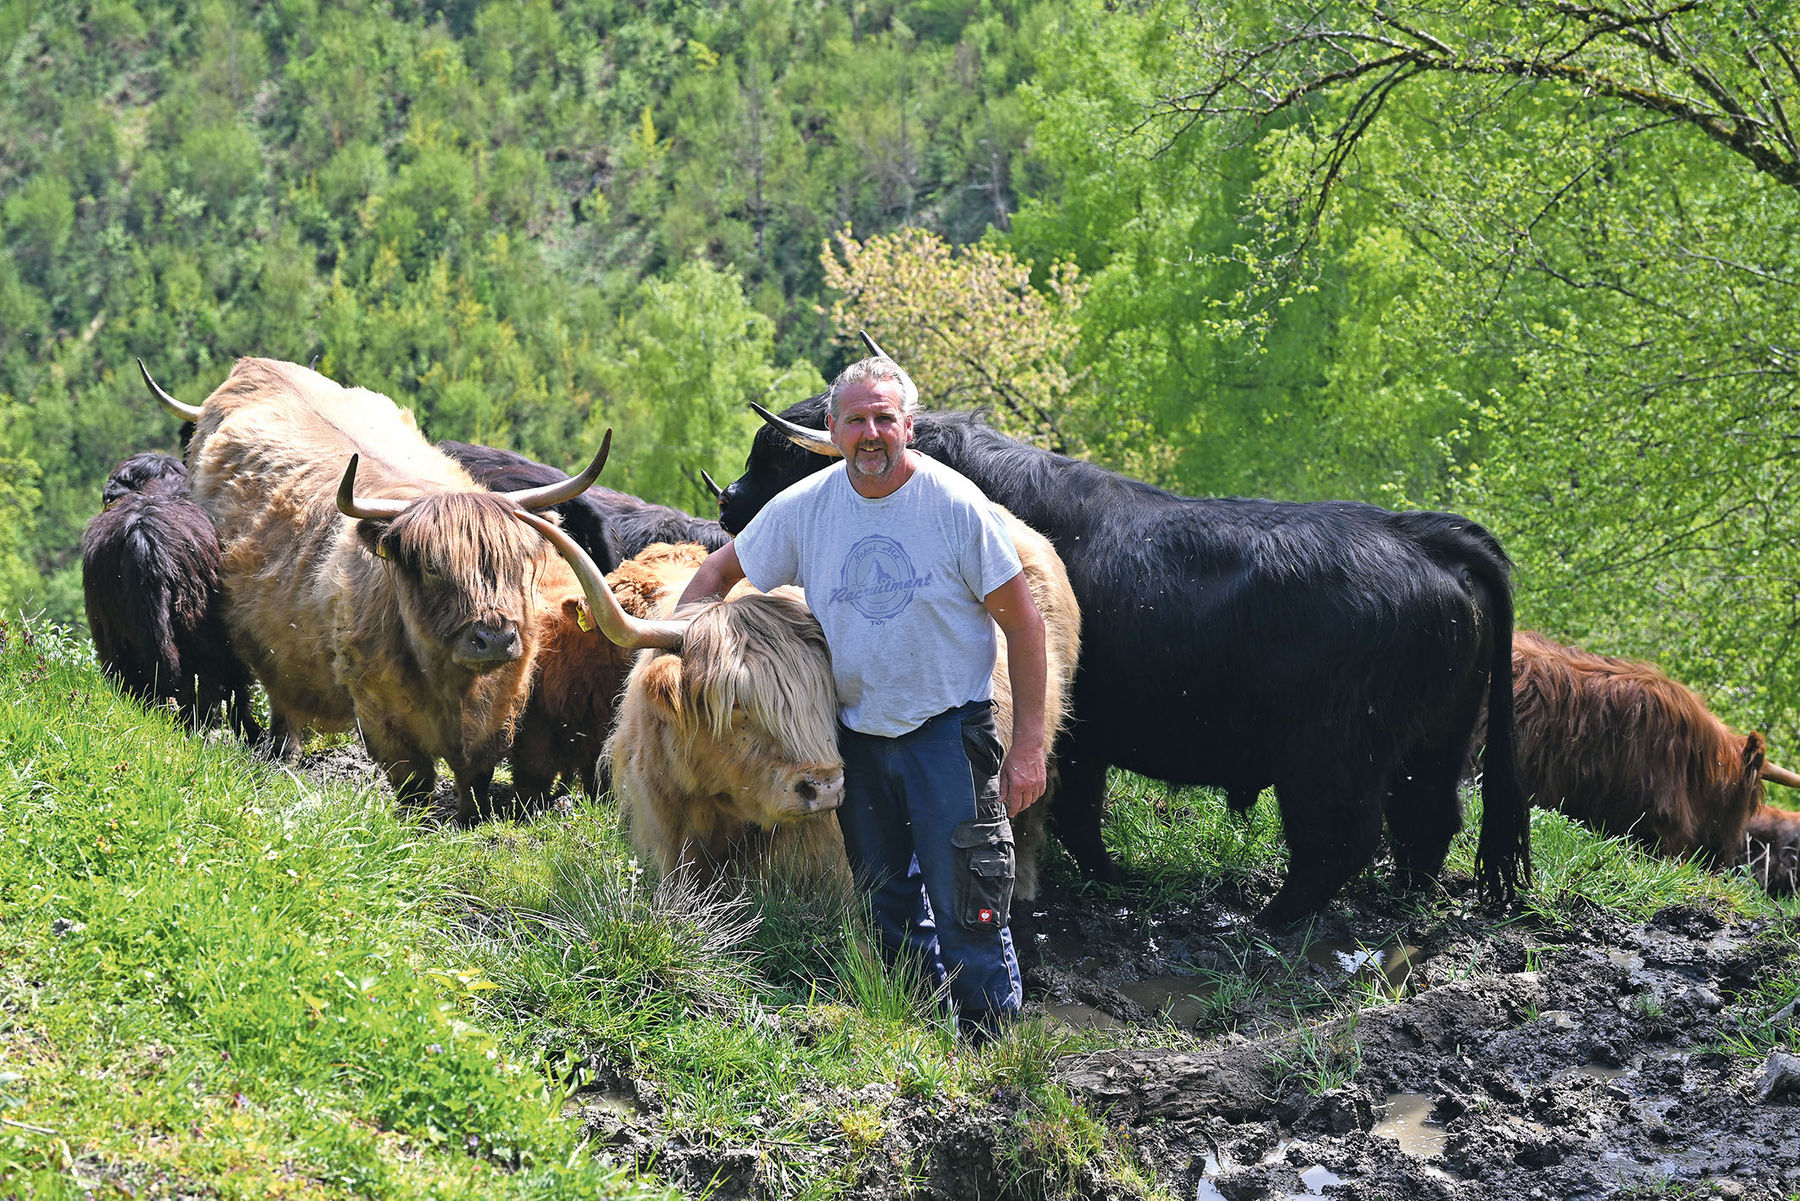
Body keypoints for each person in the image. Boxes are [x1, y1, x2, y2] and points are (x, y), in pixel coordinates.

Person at [679, 355, 1048, 1037]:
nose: (871, 432)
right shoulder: (806, 508)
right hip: (856, 738)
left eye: (885, 418)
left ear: (909, 425)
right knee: (886, 901)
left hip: (948, 734)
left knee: (970, 897)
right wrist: (701, 640)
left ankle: (995, 1056)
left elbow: (1024, 625)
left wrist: (1027, 747)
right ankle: (912, 1038)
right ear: (832, 426)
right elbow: (715, 573)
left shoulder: (954, 507)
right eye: (857, 419)